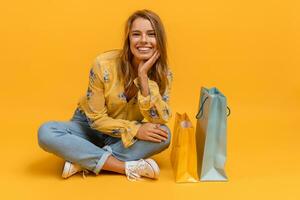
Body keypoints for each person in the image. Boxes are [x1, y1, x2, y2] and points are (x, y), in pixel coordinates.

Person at [37, 9, 173, 181]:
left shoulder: (164, 75)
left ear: (159, 40)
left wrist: (143, 78)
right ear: (128, 39)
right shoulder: (104, 64)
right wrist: (135, 130)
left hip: (123, 137)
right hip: (89, 128)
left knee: (164, 134)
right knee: (47, 132)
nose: (144, 40)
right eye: (136, 34)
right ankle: (124, 167)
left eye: (151, 34)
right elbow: (96, 120)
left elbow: (158, 120)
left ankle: (82, 160)